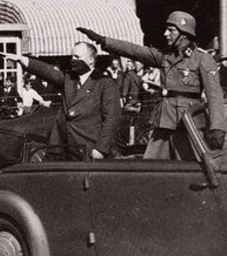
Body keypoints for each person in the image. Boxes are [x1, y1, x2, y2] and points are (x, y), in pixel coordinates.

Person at [78, 11, 227, 159]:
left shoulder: (202, 59)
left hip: (189, 124)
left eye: (171, 30)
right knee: (153, 168)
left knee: (194, 169)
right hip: (164, 123)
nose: (165, 34)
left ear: (184, 34)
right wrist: (104, 41)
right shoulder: (164, 57)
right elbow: (135, 51)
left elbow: (214, 95)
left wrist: (217, 127)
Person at [2, 41, 122, 160]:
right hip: (62, 148)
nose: (73, 59)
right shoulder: (69, 79)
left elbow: (112, 118)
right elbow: (48, 71)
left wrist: (101, 149)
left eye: (77, 57)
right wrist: (22, 59)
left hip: (89, 150)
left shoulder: (105, 83)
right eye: (72, 56)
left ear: (91, 60)